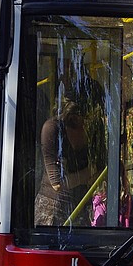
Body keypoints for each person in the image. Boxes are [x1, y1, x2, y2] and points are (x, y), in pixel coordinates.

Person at [35, 95, 96, 226]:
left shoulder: (90, 131)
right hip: (52, 211)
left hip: (80, 208)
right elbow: (57, 184)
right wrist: (88, 174)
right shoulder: (52, 128)